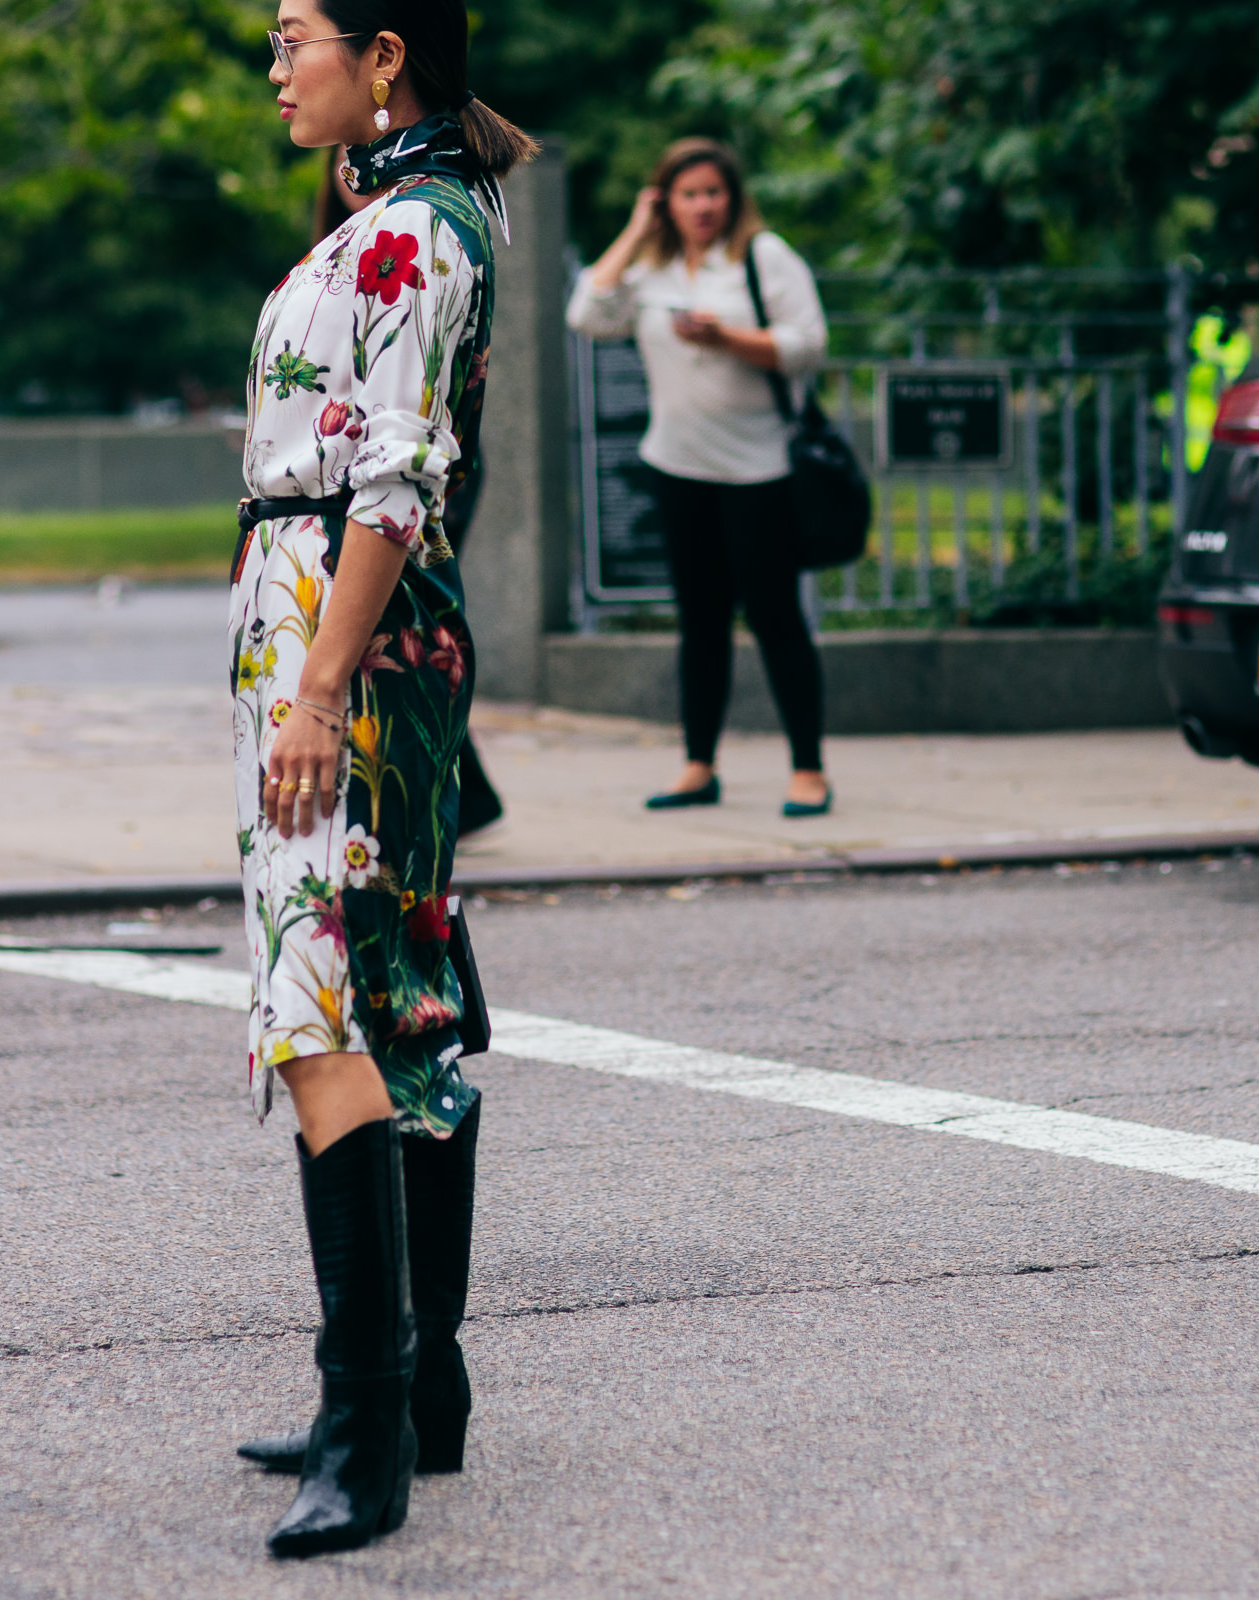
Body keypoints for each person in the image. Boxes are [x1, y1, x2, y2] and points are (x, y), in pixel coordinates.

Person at [230, 0, 533, 1558]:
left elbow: (394, 480)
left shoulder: (415, 233)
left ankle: (368, 1430)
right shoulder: (395, 214)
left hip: (345, 641)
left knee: (318, 1005)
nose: (276, 65)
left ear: (386, 50)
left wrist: (317, 686)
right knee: (396, 998)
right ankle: (420, 1392)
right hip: (345, 632)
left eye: (294, 34)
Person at [566, 139, 834, 817]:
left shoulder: (763, 258)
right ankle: (698, 765)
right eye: (687, 194)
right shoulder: (653, 270)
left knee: (777, 621)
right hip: (678, 468)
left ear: (733, 197)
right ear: (666, 201)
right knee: (701, 624)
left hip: (761, 469)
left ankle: (808, 769)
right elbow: (587, 314)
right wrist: (634, 230)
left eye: (714, 192)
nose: (703, 205)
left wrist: (728, 341)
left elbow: (809, 347)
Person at [312, 146, 505, 836]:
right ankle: (460, 790)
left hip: (396, 489)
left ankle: (450, 788)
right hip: (351, 504)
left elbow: (399, 463)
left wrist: (317, 692)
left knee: (404, 620)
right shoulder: (331, 256)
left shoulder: (419, 234)